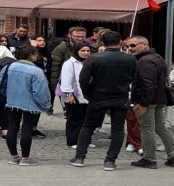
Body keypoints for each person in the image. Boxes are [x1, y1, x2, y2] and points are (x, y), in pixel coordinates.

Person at [69, 31, 136, 171]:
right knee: (117, 129)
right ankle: (110, 161)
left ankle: (80, 157)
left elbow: (83, 79)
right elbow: (135, 79)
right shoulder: (130, 59)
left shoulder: (94, 58)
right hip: (120, 96)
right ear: (121, 42)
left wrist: (87, 94)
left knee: (88, 126)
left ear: (103, 43)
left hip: (98, 96)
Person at [127, 35, 174, 169]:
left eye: (133, 46)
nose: (129, 49)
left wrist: (143, 103)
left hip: (148, 100)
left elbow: (149, 84)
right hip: (158, 99)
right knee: (160, 128)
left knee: (147, 129)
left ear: (145, 45)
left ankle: (149, 159)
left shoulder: (145, 61)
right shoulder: (156, 57)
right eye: (127, 46)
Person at [0, 44, 51, 166]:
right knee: (27, 128)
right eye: (35, 54)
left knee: (12, 127)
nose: (37, 56)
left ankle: (14, 156)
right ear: (31, 55)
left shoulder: (8, 67)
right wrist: (46, 104)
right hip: (30, 103)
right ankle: (25, 158)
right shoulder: (37, 71)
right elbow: (40, 91)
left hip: (11, 102)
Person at [60, 42, 92, 149]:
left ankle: (85, 140)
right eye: (82, 51)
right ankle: (73, 140)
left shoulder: (90, 62)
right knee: (74, 119)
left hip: (88, 96)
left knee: (87, 120)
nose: (85, 53)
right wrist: (69, 94)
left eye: (87, 51)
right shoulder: (69, 63)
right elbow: (66, 80)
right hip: (74, 96)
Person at [50, 26, 87, 114]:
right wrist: (55, 86)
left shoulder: (88, 48)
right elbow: (55, 68)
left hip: (84, 85)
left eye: (82, 36)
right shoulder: (61, 49)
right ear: (69, 35)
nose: (80, 38)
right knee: (71, 112)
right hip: (67, 84)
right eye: (77, 36)